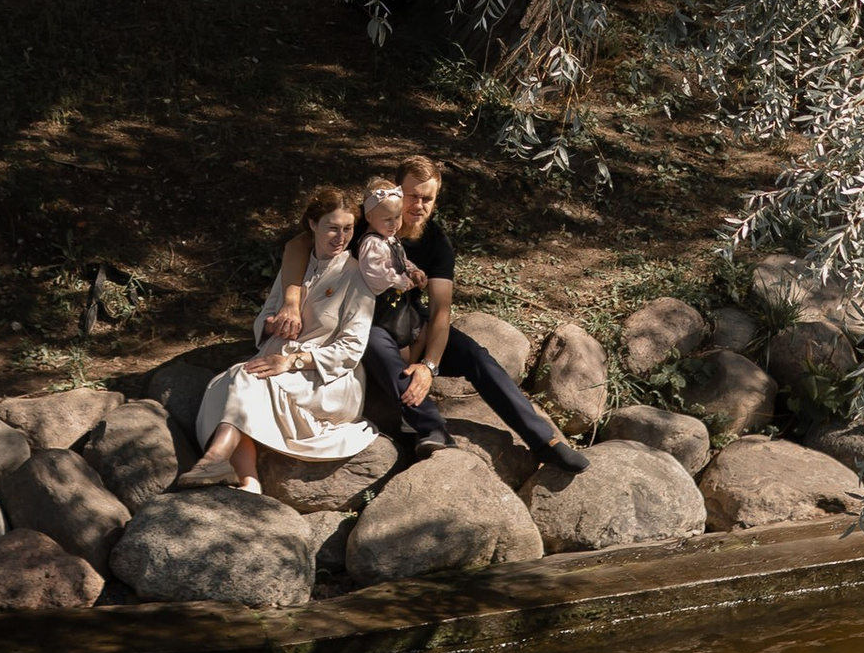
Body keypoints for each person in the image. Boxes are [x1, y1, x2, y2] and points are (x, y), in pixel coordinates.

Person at [281, 161, 591, 479]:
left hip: (408, 321)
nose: (418, 206)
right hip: (360, 323)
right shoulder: (367, 218)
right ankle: (431, 429)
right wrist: (291, 304)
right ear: (395, 191)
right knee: (373, 341)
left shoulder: (436, 242)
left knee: (476, 355)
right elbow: (298, 244)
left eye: (427, 198)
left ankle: (544, 440)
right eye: (411, 196)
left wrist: (429, 366)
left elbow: (441, 309)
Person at [181, 185, 383, 492]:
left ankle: (216, 458)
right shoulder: (296, 266)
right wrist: (273, 325)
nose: (340, 238)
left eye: (347, 229)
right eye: (332, 228)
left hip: (328, 379)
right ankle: (248, 483)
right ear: (313, 225)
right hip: (278, 362)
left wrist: (291, 361)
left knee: (246, 380)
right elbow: (264, 317)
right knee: (229, 382)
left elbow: (352, 349)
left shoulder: (358, 275)